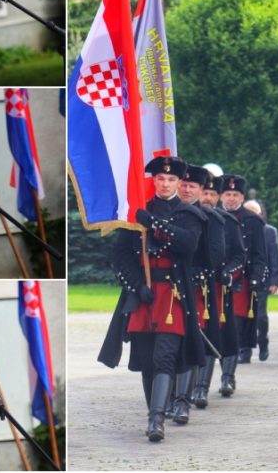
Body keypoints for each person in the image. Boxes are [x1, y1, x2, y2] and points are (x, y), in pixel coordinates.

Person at [99, 156, 205, 442]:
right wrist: (136, 284)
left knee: (164, 357)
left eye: (171, 179)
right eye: (160, 178)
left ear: (179, 182)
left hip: (173, 297)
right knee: (146, 360)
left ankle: (156, 420)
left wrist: (154, 223)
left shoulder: (189, 214)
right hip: (144, 296)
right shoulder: (138, 211)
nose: (165, 184)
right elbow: (121, 256)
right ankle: (154, 412)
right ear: (153, 181)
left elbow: (187, 244)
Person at [167, 164, 225, 425]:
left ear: (201, 190)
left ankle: (183, 400)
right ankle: (168, 397)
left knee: (190, 341)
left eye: (192, 186)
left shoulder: (212, 219)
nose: (186, 189)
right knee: (166, 344)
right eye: (184, 184)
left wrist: (192, 274)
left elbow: (215, 257)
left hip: (195, 288)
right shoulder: (167, 212)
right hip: (168, 287)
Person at [196, 173, 245, 402]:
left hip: (217, 289)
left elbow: (239, 256)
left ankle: (202, 388)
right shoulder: (186, 216)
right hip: (191, 286)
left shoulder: (227, 222)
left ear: (218, 197)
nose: (208, 198)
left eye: (212, 194)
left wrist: (229, 272)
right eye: (205, 193)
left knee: (215, 335)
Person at [220, 175, 269, 368]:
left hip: (242, 280)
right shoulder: (213, 216)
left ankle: (230, 370)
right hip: (217, 279)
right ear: (221, 196)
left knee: (237, 323)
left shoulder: (253, 221)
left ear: (242, 197)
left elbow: (260, 255)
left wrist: (257, 279)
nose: (231, 198)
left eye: (235, 195)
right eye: (228, 194)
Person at [244, 199, 278, 362]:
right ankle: (245, 350)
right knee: (243, 316)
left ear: (260, 214)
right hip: (242, 279)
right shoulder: (237, 228)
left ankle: (263, 341)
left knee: (260, 316)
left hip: (261, 279)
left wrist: (274, 280)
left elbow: (274, 256)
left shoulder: (269, 231)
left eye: (255, 213)